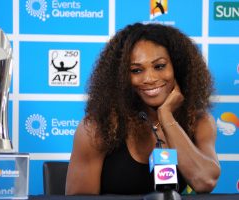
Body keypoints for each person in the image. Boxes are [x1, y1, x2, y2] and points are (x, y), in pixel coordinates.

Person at [65, 22, 221, 195]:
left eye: (159, 66)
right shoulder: (96, 128)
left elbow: (205, 181)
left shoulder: (198, 122)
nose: (149, 78)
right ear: (122, 77)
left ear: (178, 68)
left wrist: (166, 116)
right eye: (136, 70)